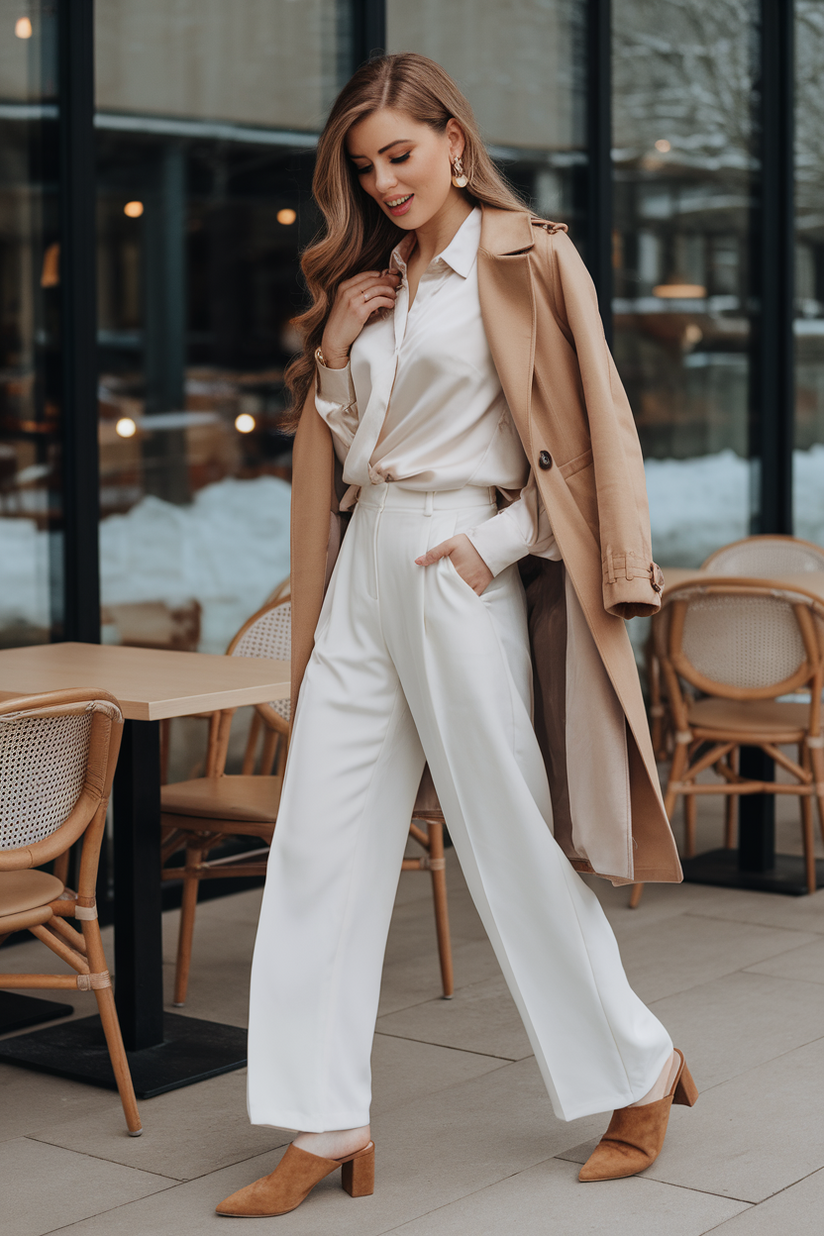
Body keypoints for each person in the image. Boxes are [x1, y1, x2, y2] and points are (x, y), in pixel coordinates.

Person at [216, 52, 696, 1220]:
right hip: (365, 568)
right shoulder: (377, 281)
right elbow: (352, 442)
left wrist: (502, 538)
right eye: (364, 164)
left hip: (455, 562)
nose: (382, 180)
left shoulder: (527, 256)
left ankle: (637, 1071)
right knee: (319, 846)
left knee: (505, 843)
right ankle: (322, 1122)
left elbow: (593, 435)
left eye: (400, 154)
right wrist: (334, 348)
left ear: (453, 144)